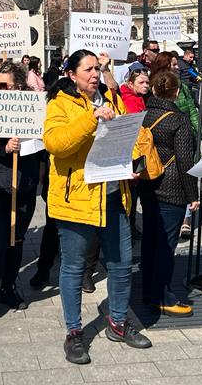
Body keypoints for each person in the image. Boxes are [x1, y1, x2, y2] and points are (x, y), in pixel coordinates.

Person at [43, 49, 150, 365]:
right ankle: (74, 333)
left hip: (115, 195)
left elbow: (123, 138)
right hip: (77, 199)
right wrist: (91, 118)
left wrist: (132, 163)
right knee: (74, 267)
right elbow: (56, 144)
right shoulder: (59, 104)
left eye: (97, 68)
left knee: (121, 263)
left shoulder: (111, 99)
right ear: (72, 75)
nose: (94, 74)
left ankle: (118, 322)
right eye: (88, 69)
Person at [0, 61, 42, 319]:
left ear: (20, 86)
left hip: (23, 184)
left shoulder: (33, 106)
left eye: (4, 84)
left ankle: (9, 286)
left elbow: (41, 142)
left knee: (17, 240)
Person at [138, 70, 199, 317]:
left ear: (153, 90)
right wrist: (193, 194)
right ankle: (162, 295)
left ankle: (148, 290)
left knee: (150, 240)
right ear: (176, 92)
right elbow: (185, 161)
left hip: (148, 183)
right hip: (172, 187)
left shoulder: (144, 115)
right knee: (166, 244)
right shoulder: (179, 120)